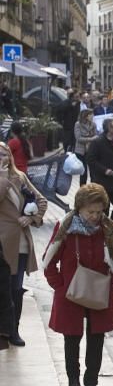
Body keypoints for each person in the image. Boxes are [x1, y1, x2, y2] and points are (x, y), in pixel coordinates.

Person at [40, 184, 113, 386]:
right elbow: (49, 262)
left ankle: (91, 382)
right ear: (79, 208)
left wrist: (112, 284)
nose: (96, 216)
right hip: (70, 295)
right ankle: (74, 380)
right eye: (91, 212)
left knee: (96, 339)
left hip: (100, 293)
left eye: (99, 211)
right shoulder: (65, 228)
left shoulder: (109, 230)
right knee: (72, 339)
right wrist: (59, 286)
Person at [0, 141, 47, 347]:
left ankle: (14, 330)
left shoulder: (20, 177)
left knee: (16, 288)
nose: (1, 159)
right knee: (3, 289)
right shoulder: (3, 179)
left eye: (4, 155)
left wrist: (32, 218)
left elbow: (42, 201)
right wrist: (1, 179)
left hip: (20, 242)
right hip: (2, 242)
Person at [86, 119, 113, 225]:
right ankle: (102, 231)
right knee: (104, 209)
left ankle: (112, 228)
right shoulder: (97, 142)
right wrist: (105, 170)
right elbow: (91, 160)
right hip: (103, 183)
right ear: (109, 129)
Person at [74, 109, 99, 185]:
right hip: (81, 150)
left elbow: (96, 135)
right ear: (86, 116)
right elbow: (78, 138)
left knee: (93, 172)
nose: (92, 116)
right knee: (83, 172)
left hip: (91, 150)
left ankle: (93, 188)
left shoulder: (93, 124)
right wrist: (90, 139)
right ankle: (83, 188)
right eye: (91, 115)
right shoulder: (78, 124)